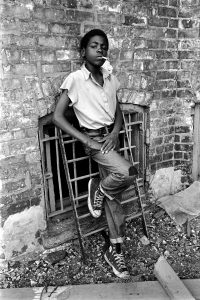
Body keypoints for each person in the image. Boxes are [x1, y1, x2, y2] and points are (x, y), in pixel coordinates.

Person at [53, 29, 138, 279]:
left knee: (114, 199)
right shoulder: (76, 80)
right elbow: (58, 117)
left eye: (103, 46)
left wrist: (115, 132)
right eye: (94, 45)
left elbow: (118, 108)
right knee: (128, 172)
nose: (100, 50)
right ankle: (98, 188)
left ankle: (115, 249)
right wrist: (86, 140)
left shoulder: (110, 76)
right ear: (83, 52)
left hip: (111, 139)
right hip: (95, 142)